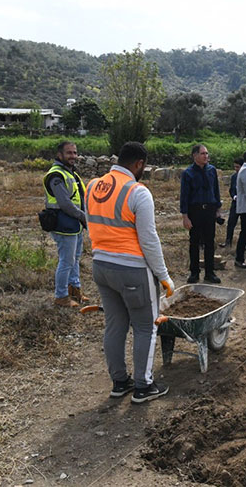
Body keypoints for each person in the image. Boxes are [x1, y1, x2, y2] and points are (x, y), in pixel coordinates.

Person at [86, 141, 172, 403]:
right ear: (139, 164)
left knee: (115, 325)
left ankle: (120, 382)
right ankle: (144, 387)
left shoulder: (92, 186)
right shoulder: (138, 192)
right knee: (146, 326)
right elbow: (149, 239)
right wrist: (163, 276)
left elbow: (90, 224)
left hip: (101, 266)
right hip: (132, 270)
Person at [43, 141, 88, 308]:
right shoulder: (56, 176)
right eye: (69, 153)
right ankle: (61, 296)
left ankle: (74, 290)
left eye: (75, 153)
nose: (73, 156)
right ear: (59, 155)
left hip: (74, 224)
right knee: (66, 261)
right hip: (63, 224)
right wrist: (84, 217)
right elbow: (65, 203)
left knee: (75, 259)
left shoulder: (71, 174)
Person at [180, 144, 222, 284]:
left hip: (209, 210)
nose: (206, 156)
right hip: (195, 210)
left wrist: (218, 208)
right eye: (203, 153)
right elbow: (184, 196)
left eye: (207, 153)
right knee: (194, 242)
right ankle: (194, 272)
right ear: (195, 155)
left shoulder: (212, 170)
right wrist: (185, 216)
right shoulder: (188, 173)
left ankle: (210, 273)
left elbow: (216, 190)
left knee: (210, 242)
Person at [219, 158, 242, 248]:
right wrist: (234, 196)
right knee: (231, 223)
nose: (236, 169)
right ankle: (228, 242)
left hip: (244, 204)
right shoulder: (234, 177)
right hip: (235, 203)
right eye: (235, 167)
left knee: (245, 225)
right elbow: (231, 190)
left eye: (238, 167)